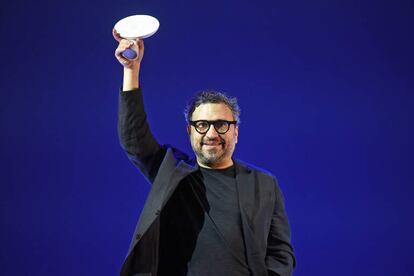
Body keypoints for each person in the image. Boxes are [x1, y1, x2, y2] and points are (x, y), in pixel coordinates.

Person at [113, 30, 296, 276]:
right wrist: (131, 70)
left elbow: (281, 254)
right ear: (189, 131)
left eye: (221, 125)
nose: (211, 134)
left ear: (236, 132)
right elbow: (133, 138)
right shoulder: (171, 172)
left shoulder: (264, 184)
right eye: (202, 125)